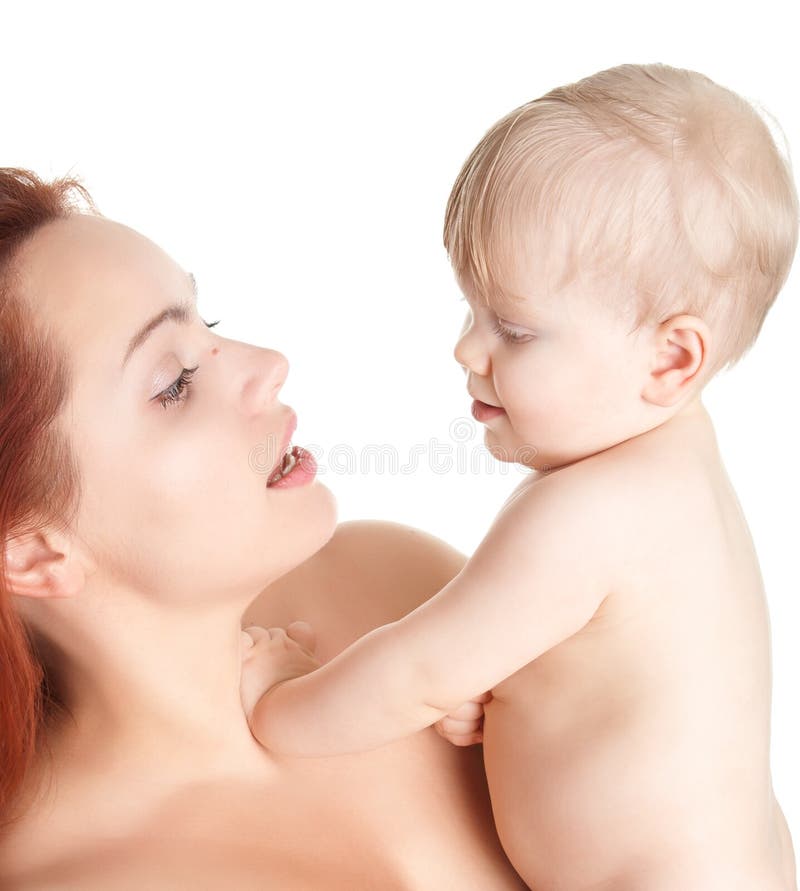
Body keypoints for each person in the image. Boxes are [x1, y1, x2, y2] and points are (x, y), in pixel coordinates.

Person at [238, 63, 799, 890]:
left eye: (515, 328)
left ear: (671, 358)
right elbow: (602, 667)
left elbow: (417, 670)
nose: (468, 349)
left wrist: (279, 701)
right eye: (472, 310)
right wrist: (513, 693)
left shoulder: (586, 514)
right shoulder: (671, 461)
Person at [0, 168, 530, 889]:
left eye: (208, 323)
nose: (270, 366)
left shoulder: (395, 588)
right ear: (34, 552)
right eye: (175, 381)